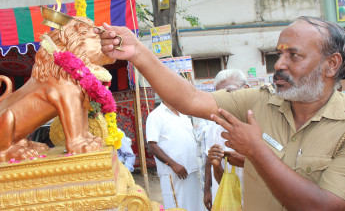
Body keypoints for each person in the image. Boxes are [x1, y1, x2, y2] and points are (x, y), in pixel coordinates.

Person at [95, 16, 345, 210]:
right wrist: (138, 52)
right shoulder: (258, 101)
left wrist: (255, 150)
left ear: (331, 64)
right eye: (279, 54)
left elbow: (322, 206)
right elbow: (191, 99)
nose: (279, 64)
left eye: (293, 55)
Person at [145, 101, 204, 211]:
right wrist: (172, 163)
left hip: (191, 169)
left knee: (195, 206)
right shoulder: (156, 116)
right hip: (173, 172)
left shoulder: (183, 114)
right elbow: (152, 145)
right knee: (177, 207)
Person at [204, 69, 248, 210]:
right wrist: (216, 165)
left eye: (229, 92)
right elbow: (219, 175)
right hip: (228, 200)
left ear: (246, 89)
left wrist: (245, 161)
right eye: (219, 96)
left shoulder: (263, 121)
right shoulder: (215, 128)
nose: (225, 101)